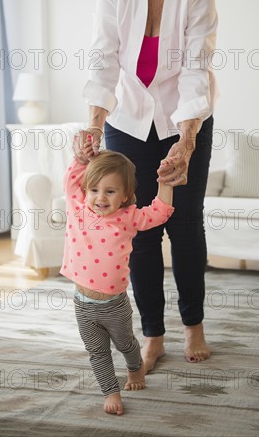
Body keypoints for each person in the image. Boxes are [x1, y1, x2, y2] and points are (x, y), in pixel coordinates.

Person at [80, 0, 219, 373]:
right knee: (135, 231)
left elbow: (196, 67)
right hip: (128, 121)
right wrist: (94, 124)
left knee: (183, 225)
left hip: (185, 119)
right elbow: (103, 56)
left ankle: (193, 325)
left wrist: (186, 138)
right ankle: (152, 334)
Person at [60, 134, 174, 415]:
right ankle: (110, 391)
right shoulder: (78, 210)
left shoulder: (128, 217)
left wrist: (165, 183)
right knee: (97, 352)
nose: (100, 198)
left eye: (110, 192)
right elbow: (71, 181)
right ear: (85, 190)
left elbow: (159, 213)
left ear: (124, 195)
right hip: (82, 304)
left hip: (114, 305)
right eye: (94, 189)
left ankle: (135, 370)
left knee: (126, 344)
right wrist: (82, 156)